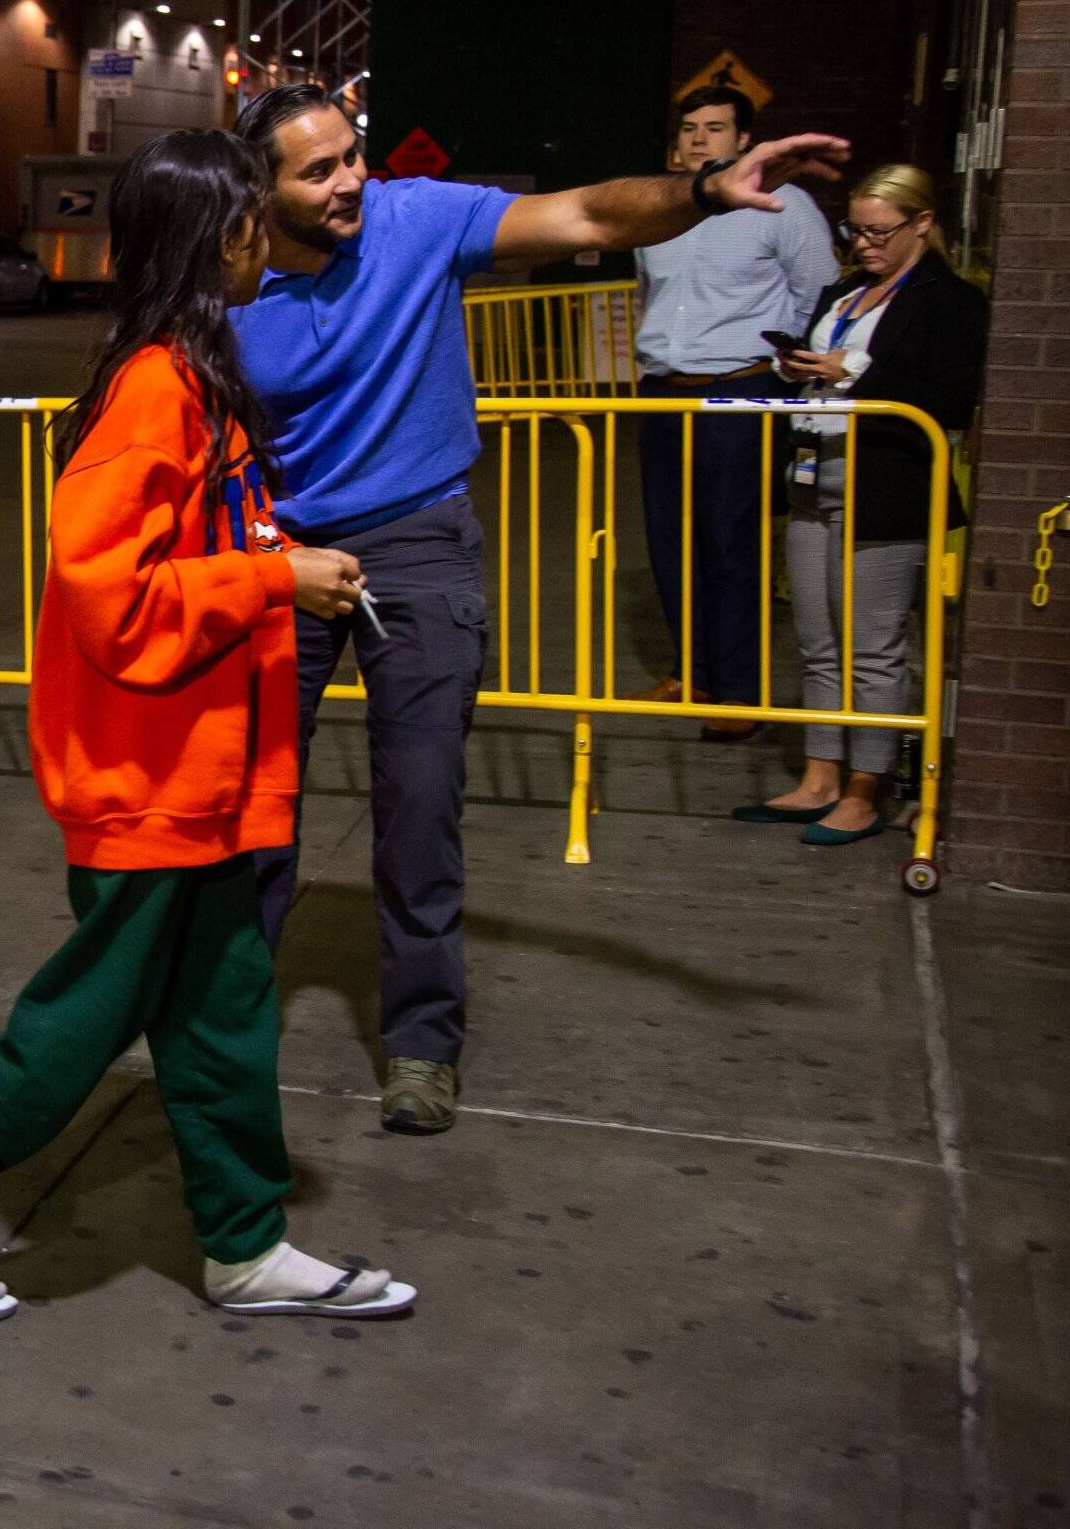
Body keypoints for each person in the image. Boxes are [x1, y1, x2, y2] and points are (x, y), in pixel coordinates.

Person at [230, 83, 848, 1135]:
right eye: (319, 169)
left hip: (416, 540)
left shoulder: (412, 217)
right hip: (279, 548)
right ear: (261, 188)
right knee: (251, 809)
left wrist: (702, 188)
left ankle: (423, 1044)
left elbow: (593, 213)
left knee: (419, 803)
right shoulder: (226, 277)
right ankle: (223, 1028)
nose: (351, 182)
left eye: (353, 156)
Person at [0, 130, 417, 1321]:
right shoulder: (156, 384)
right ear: (219, 236)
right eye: (256, 221)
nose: (274, 238)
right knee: (85, 1016)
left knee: (224, 1004)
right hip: (146, 772)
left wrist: (277, 554)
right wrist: (271, 581)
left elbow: (183, 551)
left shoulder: (190, 371)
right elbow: (112, 598)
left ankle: (244, 1244)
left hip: (202, 773)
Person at [740, 166, 987, 845]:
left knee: (872, 650)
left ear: (923, 223)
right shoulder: (847, 289)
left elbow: (947, 399)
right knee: (819, 646)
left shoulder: (952, 302)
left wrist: (850, 369)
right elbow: (835, 362)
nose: (864, 244)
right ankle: (820, 777)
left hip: (885, 488)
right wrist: (801, 367)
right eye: (856, 230)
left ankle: (865, 789)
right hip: (814, 475)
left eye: (880, 231)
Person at [631, 85, 841, 738]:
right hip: (664, 389)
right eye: (690, 127)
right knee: (672, 540)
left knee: (731, 543)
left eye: (715, 128)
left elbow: (818, 295)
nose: (699, 139)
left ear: (744, 139)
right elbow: (649, 295)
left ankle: (739, 693)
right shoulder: (660, 209)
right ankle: (690, 672)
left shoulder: (785, 207)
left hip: (741, 387)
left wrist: (786, 370)